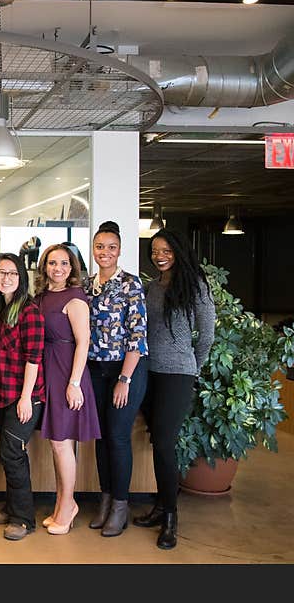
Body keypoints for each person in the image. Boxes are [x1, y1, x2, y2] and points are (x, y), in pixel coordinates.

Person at [135, 228, 215, 550]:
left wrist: (191, 367)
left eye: (166, 250)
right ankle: (160, 505)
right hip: (148, 372)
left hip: (178, 374)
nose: (160, 256)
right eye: (155, 251)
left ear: (178, 250)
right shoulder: (153, 286)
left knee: (165, 443)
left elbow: (206, 335)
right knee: (157, 440)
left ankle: (170, 516)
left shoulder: (195, 284)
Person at [84, 221, 149, 537]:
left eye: (111, 247)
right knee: (101, 437)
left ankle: (121, 507)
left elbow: (138, 334)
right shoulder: (87, 285)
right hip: (96, 369)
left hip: (126, 370)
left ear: (119, 250)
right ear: (93, 249)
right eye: (100, 246)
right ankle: (106, 500)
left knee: (118, 436)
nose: (105, 252)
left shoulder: (131, 284)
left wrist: (125, 377)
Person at [34, 243, 100, 535]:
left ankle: (68, 505)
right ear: (44, 266)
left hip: (66, 373)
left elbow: (83, 342)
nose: (57, 268)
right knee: (56, 443)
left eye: (63, 263)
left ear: (72, 267)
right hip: (47, 369)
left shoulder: (75, 298)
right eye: (52, 263)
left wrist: (74, 383)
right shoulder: (42, 296)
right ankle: (63, 504)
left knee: (62, 443)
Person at [0, 253, 45, 541]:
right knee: (9, 454)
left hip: (24, 396)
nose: (6, 278)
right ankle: (12, 505)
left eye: (12, 273)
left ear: (22, 278)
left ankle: (23, 518)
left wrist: (25, 397)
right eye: (0, 273)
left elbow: (34, 358)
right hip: (0, 392)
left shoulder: (29, 311)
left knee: (12, 453)